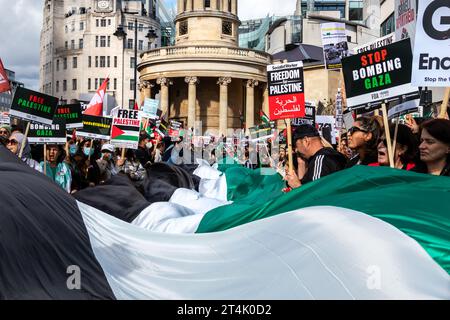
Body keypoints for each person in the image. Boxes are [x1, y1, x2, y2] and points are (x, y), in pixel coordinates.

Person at [285, 124, 347, 189]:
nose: (296, 150)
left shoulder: (320, 160)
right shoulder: (330, 156)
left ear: (305, 141)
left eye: (296, 145)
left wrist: (297, 186)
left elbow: (315, 195)